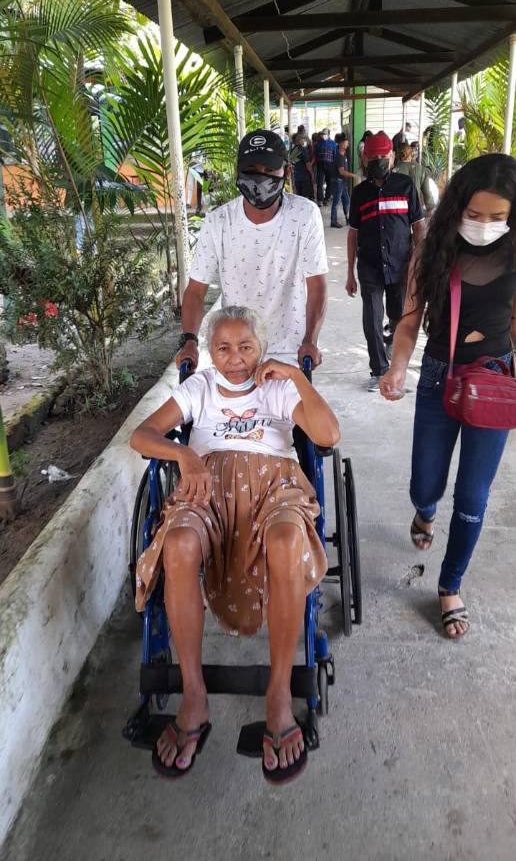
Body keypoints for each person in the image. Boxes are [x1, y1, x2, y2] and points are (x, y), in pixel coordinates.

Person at [131, 306, 340, 781]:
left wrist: (295, 376)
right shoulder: (199, 387)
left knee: (287, 540)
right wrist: (185, 454)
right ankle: (194, 695)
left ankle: (279, 694)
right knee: (180, 544)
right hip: (208, 487)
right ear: (210, 351)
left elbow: (328, 434)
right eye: (223, 347)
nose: (235, 358)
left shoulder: (278, 387)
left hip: (274, 487)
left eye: (246, 346)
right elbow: (141, 436)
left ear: (260, 348)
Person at [380, 153, 516, 637]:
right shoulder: (433, 249)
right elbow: (410, 320)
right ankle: (425, 511)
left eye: (497, 217)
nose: (484, 225)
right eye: (474, 215)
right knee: (425, 484)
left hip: (496, 380)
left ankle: (450, 584)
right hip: (440, 377)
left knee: (473, 498)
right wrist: (397, 369)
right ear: (458, 205)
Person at [176, 129, 328, 371]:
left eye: (269, 171)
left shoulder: (304, 215)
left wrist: (310, 340)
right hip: (237, 355)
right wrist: (189, 341)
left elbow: (317, 285)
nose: (260, 178)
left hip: (291, 354)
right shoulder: (218, 221)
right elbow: (196, 290)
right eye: (252, 171)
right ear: (238, 173)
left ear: (286, 172)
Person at [346, 132, 425, 391]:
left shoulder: (405, 186)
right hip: (369, 265)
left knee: (399, 316)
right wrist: (349, 271)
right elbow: (353, 233)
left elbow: (418, 227)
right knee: (372, 317)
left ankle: (395, 357)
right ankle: (379, 369)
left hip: (401, 265)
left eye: (383, 156)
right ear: (364, 157)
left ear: (391, 156)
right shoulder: (359, 193)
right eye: (373, 156)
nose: (378, 160)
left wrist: (418, 261)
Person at [395, 141, 437, 214]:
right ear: (411, 153)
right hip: (416, 209)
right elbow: (427, 194)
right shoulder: (421, 169)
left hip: (399, 210)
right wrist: (431, 209)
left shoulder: (393, 171)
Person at [330, 134, 358, 229]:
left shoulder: (343, 154)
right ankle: (333, 221)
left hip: (343, 182)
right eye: (346, 142)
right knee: (336, 202)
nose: (348, 144)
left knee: (347, 201)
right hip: (338, 182)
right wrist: (353, 175)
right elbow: (341, 172)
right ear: (341, 143)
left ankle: (348, 218)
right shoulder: (339, 156)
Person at [315, 127, 337, 206]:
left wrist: (335, 166)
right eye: (322, 134)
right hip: (320, 165)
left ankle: (326, 199)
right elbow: (316, 155)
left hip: (330, 165)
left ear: (328, 135)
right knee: (320, 183)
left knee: (329, 182)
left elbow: (335, 155)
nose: (323, 136)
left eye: (325, 134)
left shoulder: (333, 143)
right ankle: (320, 200)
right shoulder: (318, 143)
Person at [292, 131, 314, 200]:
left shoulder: (292, 150)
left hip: (296, 176)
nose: (304, 141)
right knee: (305, 198)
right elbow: (307, 164)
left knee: (299, 197)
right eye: (303, 139)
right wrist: (312, 173)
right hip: (304, 177)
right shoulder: (302, 149)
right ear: (300, 140)